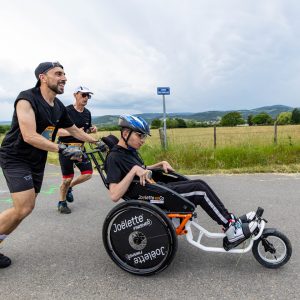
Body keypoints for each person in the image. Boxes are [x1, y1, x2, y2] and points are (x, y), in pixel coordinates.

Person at [105, 115, 258, 250]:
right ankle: (231, 228)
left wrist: (159, 164)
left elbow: (143, 170)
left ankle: (231, 221)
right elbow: (114, 194)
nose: (143, 141)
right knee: (199, 190)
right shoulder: (114, 158)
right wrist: (134, 171)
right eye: (140, 136)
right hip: (151, 196)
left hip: (156, 189)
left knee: (199, 183)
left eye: (144, 137)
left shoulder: (129, 152)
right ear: (126, 133)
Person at [0, 61, 98, 268]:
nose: (64, 78)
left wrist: (97, 141)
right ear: (43, 77)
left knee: (26, 209)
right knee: (24, 206)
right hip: (15, 157)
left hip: (36, 160)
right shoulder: (27, 99)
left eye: (64, 74)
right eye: (58, 73)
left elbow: (73, 130)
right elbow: (28, 135)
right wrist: (62, 149)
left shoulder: (58, 107)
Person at [56, 86, 97, 214]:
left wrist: (91, 129)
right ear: (75, 95)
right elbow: (57, 131)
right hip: (66, 149)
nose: (86, 98)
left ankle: (70, 188)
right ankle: (62, 203)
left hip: (80, 149)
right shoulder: (66, 110)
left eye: (88, 96)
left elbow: (85, 129)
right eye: (83, 95)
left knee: (88, 174)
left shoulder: (87, 113)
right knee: (67, 179)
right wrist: (74, 133)